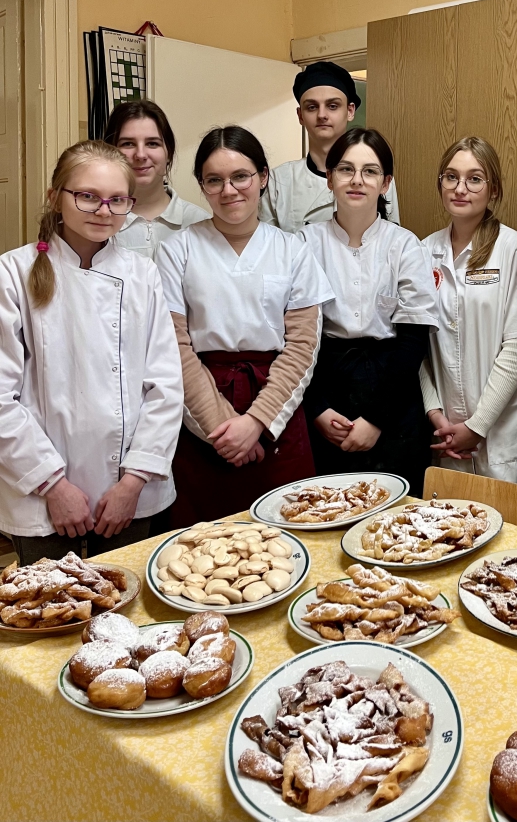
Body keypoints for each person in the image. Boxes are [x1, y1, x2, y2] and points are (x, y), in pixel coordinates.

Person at [0, 141, 183, 564]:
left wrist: (133, 482)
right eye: (87, 196)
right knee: (51, 615)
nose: (103, 211)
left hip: (130, 491)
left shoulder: (142, 274)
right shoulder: (14, 274)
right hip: (41, 495)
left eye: (117, 200)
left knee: (129, 613)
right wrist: (53, 486)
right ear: (55, 197)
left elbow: (166, 387)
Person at [156, 126, 334, 526]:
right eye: (214, 180)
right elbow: (174, 346)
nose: (229, 190)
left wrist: (257, 423)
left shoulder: (293, 251)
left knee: (288, 538)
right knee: (202, 554)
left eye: (241, 176)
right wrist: (221, 428)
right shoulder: (176, 251)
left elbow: (303, 346)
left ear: (263, 177)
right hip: (201, 414)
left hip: (277, 412)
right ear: (202, 186)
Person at [301, 128, 437, 496]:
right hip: (325, 383)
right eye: (345, 169)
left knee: (397, 517)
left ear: (386, 182)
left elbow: (413, 342)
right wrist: (316, 409)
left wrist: (376, 419)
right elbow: (294, 339)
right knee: (325, 505)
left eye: (370, 171)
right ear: (329, 178)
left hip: (393, 391)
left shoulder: (405, 245)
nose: (357, 180)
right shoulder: (303, 244)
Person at [420, 136, 517, 485]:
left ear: (493, 190)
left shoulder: (513, 248)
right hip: (445, 438)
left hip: (505, 443)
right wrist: (435, 414)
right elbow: (418, 348)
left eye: (474, 178)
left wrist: (477, 425)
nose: (461, 188)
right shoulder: (422, 252)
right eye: (450, 177)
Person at [259, 60, 400, 232]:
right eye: (312, 107)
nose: (322, 115)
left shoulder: (375, 175)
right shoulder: (278, 181)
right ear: (300, 115)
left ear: (350, 111)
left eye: (332, 106)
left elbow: (391, 237)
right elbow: (269, 248)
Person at [103, 98, 209, 258]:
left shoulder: (200, 222)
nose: (140, 155)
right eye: (127, 144)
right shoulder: (98, 222)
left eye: (152, 143)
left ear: (169, 153)